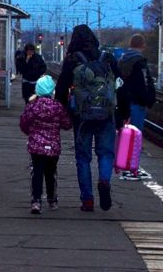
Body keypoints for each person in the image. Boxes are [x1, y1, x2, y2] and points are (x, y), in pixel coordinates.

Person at [55, 24, 122, 212]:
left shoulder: (72, 60)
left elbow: (61, 89)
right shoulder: (107, 58)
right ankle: (104, 180)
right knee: (106, 153)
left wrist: (64, 112)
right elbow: (120, 85)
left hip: (81, 116)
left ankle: (87, 200)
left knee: (83, 157)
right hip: (106, 114)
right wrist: (122, 113)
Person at [20, 75, 72, 214]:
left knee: (37, 172)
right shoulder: (58, 107)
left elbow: (24, 123)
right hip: (53, 147)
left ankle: (36, 201)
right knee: (51, 172)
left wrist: (31, 133)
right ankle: (52, 199)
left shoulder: (32, 106)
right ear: (52, 90)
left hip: (36, 146)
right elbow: (67, 124)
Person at [117, 33, 156, 180]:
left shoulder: (122, 60)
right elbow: (144, 83)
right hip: (137, 103)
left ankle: (126, 167)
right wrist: (148, 100)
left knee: (126, 136)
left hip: (124, 103)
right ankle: (131, 170)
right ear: (142, 45)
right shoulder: (140, 62)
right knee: (135, 137)